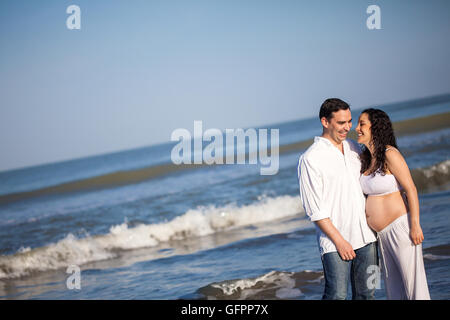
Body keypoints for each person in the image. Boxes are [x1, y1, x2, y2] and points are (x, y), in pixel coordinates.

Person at [298, 98, 378, 300]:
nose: (348, 127)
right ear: (325, 122)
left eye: (349, 121)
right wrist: (340, 242)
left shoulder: (354, 148)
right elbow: (315, 211)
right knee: (337, 295)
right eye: (341, 123)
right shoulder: (311, 158)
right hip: (335, 243)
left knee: (368, 294)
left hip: (367, 238)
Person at [356, 108, 430, 300]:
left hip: (401, 228)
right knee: (395, 292)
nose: (357, 128)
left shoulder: (390, 154)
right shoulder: (367, 159)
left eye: (362, 124)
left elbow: (411, 189)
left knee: (415, 288)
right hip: (382, 235)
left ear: (375, 127)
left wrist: (415, 225)